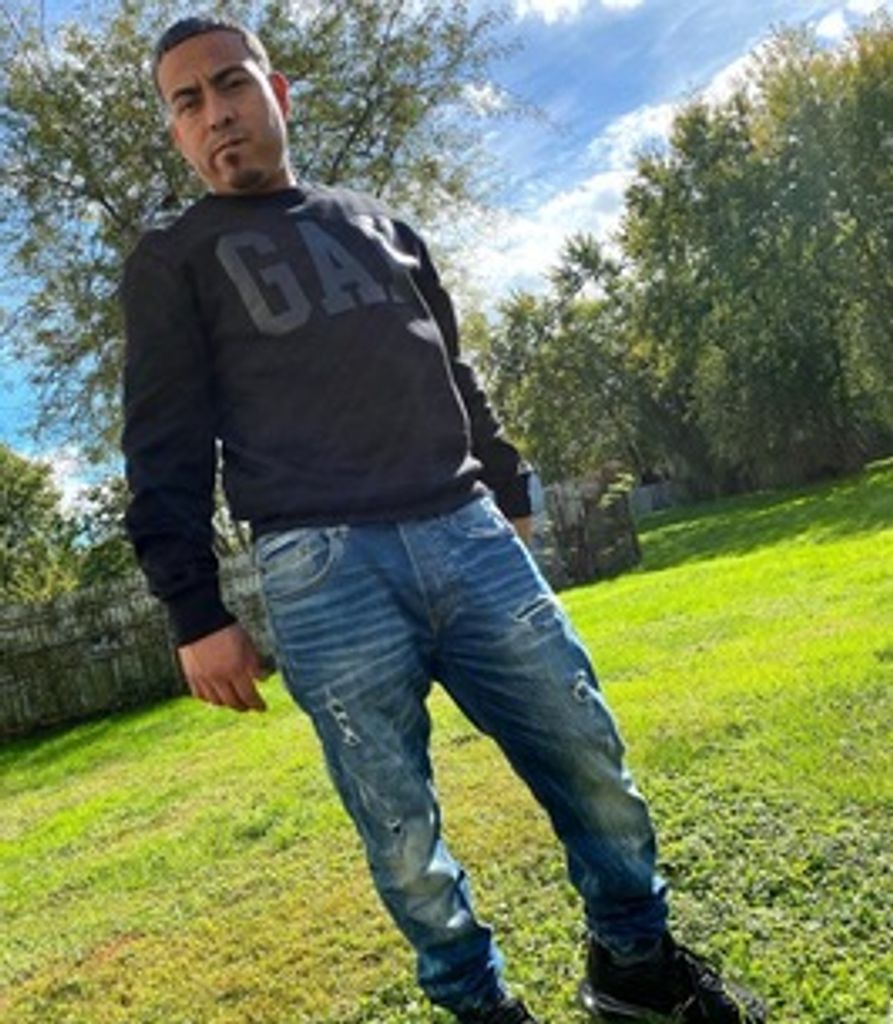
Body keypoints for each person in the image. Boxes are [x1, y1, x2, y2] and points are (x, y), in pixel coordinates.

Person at [121, 16, 767, 1024]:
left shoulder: (379, 224)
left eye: (231, 84)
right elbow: (161, 443)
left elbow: (453, 371)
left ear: (277, 93)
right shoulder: (172, 258)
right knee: (398, 829)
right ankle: (480, 1007)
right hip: (319, 570)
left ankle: (635, 971)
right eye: (187, 102)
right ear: (175, 131)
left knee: (588, 760)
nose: (216, 114)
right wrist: (194, 608)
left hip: (465, 531)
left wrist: (506, 491)